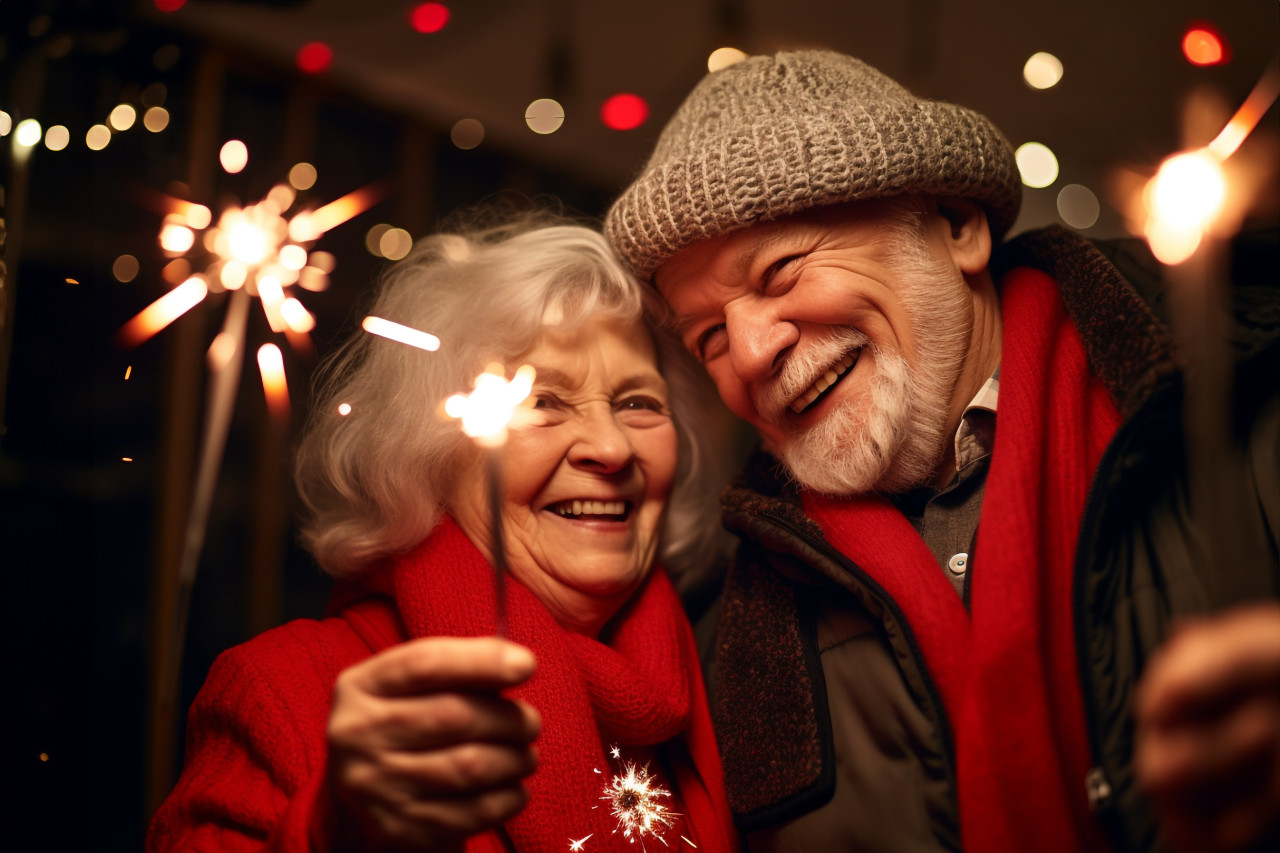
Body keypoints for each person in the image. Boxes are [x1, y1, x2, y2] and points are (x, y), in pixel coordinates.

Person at [604, 49, 1280, 853]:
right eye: (709, 335)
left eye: (782, 271)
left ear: (955, 227)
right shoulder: (729, 624)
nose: (750, 352)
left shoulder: (1243, 414)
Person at [147, 213, 739, 852]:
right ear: (427, 449)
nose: (610, 446)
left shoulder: (730, 677)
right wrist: (344, 830)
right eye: (541, 401)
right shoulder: (283, 689)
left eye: (638, 404)